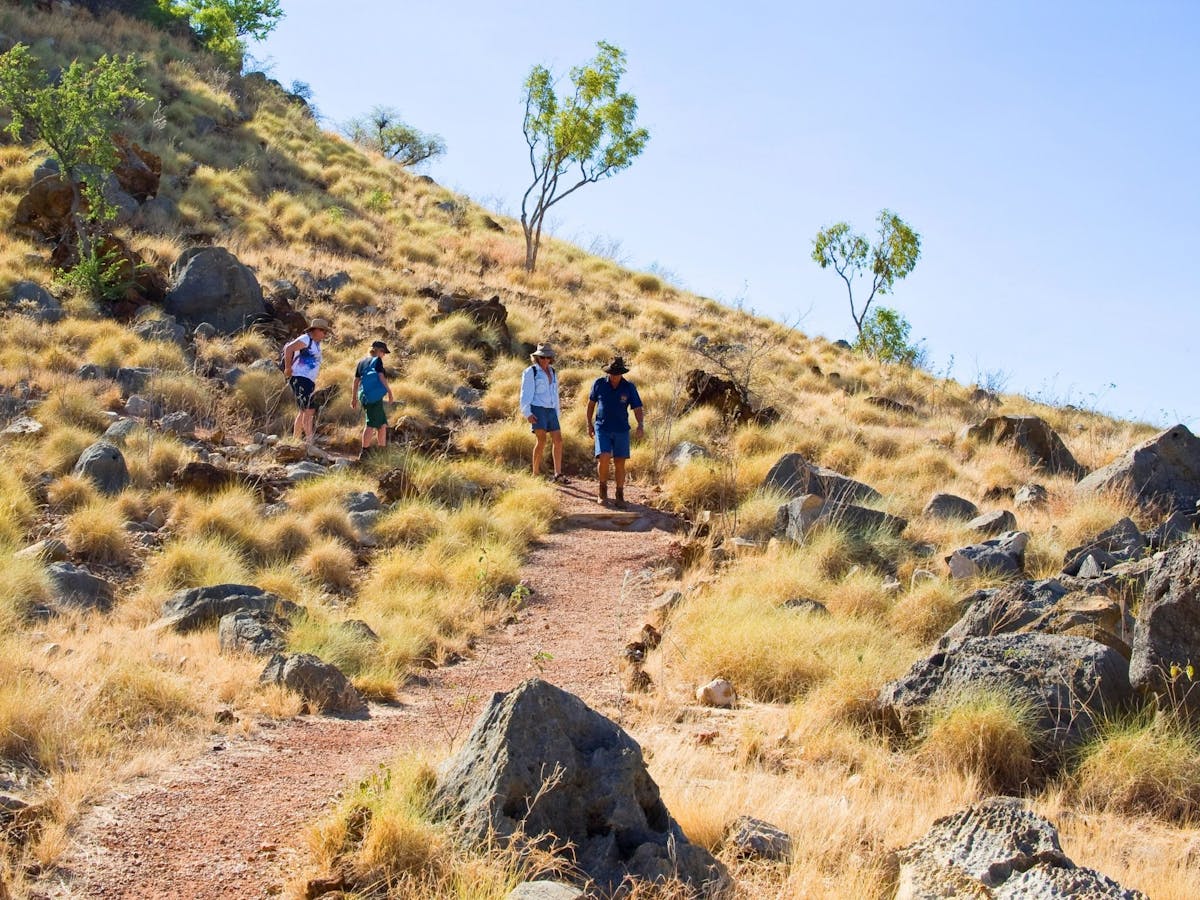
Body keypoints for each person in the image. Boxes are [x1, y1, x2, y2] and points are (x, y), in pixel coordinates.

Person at [586, 356, 644, 509]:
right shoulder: (599, 384)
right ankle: (602, 490)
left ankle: (620, 494)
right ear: (608, 372)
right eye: (612, 373)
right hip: (602, 427)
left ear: (622, 373)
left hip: (621, 429)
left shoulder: (629, 387)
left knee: (620, 462)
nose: (614, 376)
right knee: (604, 456)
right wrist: (589, 424)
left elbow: (637, 408)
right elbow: (591, 404)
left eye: (617, 373)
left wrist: (640, 424)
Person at [519, 342, 568, 483]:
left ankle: (558, 474)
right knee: (541, 440)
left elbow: (555, 394)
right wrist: (527, 413)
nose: (545, 360)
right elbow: (525, 393)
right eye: (542, 357)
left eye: (548, 357)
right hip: (538, 409)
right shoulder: (531, 372)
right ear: (537, 358)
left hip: (551, 410)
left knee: (558, 440)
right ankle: (535, 473)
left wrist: (557, 412)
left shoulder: (553, 371)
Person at [282, 317, 330, 446]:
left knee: (304, 410)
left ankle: (296, 440)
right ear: (315, 330)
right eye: (323, 331)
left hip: (308, 380)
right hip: (299, 377)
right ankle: (309, 440)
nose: (325, 334)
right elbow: (289, 349)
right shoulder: (305, 339)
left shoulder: (316, 344)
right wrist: (287, 368)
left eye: (326, 332)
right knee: (307, 410)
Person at [350, 340, 394, 456]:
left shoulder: (362, 362)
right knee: (370, 424)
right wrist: (389, 392)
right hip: (373, 397)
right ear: (379, 351)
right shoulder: (377, 361)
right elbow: (381, 376)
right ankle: (364, 452)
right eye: (383, 352)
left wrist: (354, 398)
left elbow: (356, 381)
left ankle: (382, 451)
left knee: (382, 424)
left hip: (364, 396)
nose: (384, 355)